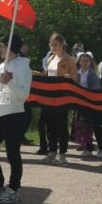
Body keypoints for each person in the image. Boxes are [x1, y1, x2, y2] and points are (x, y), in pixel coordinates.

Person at [0, 35, 33, 204]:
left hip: (15, 115)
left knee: (12, 154)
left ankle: (14, 189)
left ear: (12, 49)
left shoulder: (25, 68)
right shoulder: (2, 66)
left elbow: (24, 95)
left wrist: (9, 82)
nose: (0, 49)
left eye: (3, 46)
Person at [43, 32, 78, 165]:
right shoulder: (50, 58)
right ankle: (51, 151)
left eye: (55, 44)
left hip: (62, 97)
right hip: (49, 97)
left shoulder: (69, 60)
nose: (52, 47)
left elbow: (76, 77)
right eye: (51, 44)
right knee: (50, 125)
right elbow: (46, 75)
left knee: (61, 125)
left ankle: (62, 154)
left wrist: (70, 77)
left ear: (62, 44)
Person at [74, 51, 102, 154]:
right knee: (79, 124)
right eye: (83, 61)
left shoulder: (93, 74)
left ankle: (89, 146)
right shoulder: (77, 73)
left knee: (89, 125)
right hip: (79, 102)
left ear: (90, 62)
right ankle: (83, 143)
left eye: (87, 61)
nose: (85, 63)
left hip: (89, 102)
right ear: (79, 62)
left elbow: (96, 89)